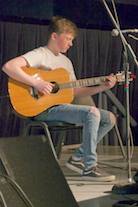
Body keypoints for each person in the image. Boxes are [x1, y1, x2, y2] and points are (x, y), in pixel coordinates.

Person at [2, 16, 117, 182]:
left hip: (61, 107)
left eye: (72, 40)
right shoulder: (40, 54)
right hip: (42, 109)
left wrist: (101, 87)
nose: (71, 43)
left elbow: (74, 91)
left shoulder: (66, 62)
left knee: (110, 118)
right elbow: (9, 66)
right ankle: (90, 167)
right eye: (68, 39)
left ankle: (77, 159)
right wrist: (37, 83)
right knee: (92, 112)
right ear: (55, 36)